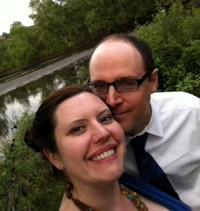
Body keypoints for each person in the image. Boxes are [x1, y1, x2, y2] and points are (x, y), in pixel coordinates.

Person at [24, 86, 191, 211]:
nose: (102, 133)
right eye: (77, 129)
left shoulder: (127, 183)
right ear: (54, 156)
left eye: (105, 118)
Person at [88, 33, 200, 211]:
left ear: (153, 82)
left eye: (127, 83)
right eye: (100, 86)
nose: (111, 100)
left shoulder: (191, 114)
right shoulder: (95, 145)